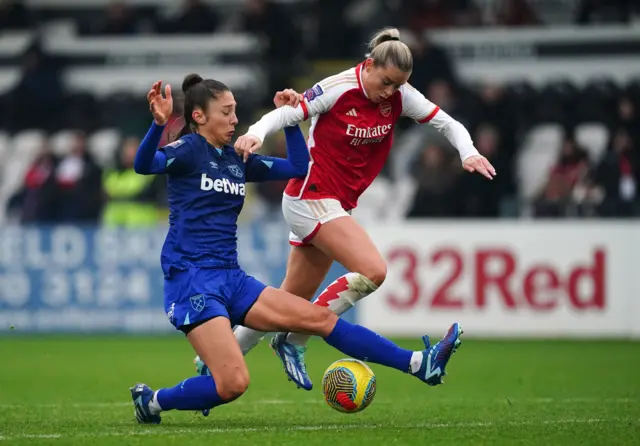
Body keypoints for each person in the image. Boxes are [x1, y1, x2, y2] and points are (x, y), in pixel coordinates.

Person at [129, 74, 463, 424]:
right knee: (233, 384)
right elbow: (143, 165)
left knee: (320, 318)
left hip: (232, 278)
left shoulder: (236, 159)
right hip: (192, 280)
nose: (234, 120)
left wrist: (290, 118)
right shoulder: (188, 152)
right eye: (226, 112)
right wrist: (158, 124)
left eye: (235, 111)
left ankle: (418, 364)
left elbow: (299, 168)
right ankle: (152, 402)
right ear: (199, 116)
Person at [228, 27, 493, 391]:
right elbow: (288, 114)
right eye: (385, 82)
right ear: (368, 65)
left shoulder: (399, 96)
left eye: (397, 86)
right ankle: (295, 339)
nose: (389, 92)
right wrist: (256, 133)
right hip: (311, 196)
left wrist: (469, 152)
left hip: (336, 204)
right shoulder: (337, 88)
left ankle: (219, 359)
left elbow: (447, 122)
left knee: (288, 300)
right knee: (373, 270)